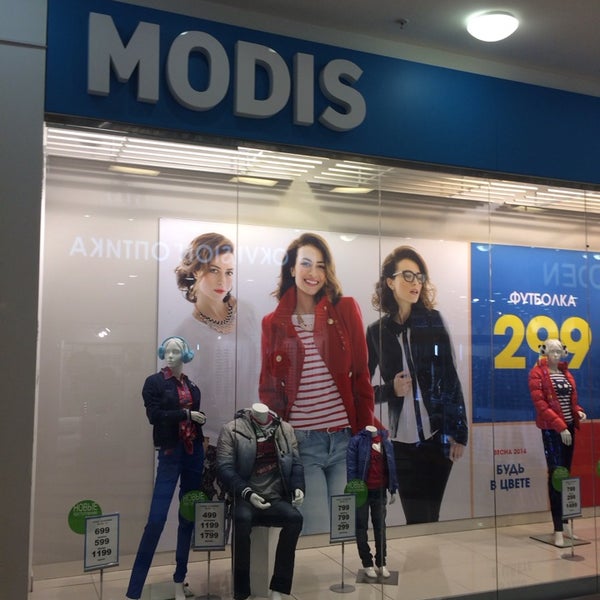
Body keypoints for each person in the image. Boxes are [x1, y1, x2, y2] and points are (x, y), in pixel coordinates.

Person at [259, 232, 375, 534]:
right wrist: (274, 443)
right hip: (302, 442)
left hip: (343, 439)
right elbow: (269, 389)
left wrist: (365, 435)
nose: (314, 273)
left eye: (321, 265)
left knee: (344, 528)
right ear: (291, 268)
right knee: (317, 529)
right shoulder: (273, 323)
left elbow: (361, 377)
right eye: (306, 263)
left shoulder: (345, 309)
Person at [366, 245, 468, 525]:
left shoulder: (432, 321)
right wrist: (390, 390)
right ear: (390, 282)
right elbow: (362, 390)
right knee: (415, 518)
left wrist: (458, 431)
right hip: (401, 443)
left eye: (419, 277)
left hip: (437, 437)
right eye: (407, 276)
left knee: (431, 516)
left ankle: (431, 555)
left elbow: (450, 377)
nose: (415, 283)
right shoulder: (376, 332)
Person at [126, 337, 206, 600]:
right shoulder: (154, 382)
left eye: (176, 351)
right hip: (171, 454)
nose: (170, 355)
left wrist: (198, 428)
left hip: (193, 453)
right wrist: (185, 415)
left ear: (185, 354)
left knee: (188, 517)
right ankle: (134, 591)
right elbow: (155, 416)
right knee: (156, 520)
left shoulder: (192, 386)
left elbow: (196, 418)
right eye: (167, 351)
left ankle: (180, 580)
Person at [173, 231, 260, 444]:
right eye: (214, 270)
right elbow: (180, 397)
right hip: (208, 438)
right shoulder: (185, 332)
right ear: (196, 270)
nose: (223, 280)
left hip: (250, 433)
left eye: (229, 272)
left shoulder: (247, 313)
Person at [216, 402, 305, 600]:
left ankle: (279, 586)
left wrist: (298, 487)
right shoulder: (232, 429)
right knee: (242, 521)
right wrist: (247, 493)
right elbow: (224, 467)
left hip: (275, 497)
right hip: (246, 497)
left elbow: (296, 463)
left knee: (295, 519)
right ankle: (241, 591)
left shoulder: (285, 429)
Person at [528, 338, 586, 547]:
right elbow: (541, 404)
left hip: (569, 428)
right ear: (545, 352)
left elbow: (571, 401)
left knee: (566, 475)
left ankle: (566, 524)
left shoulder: (566, 373)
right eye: (552, 351)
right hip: (553, 430)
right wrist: (560, 426)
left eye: (558, 351)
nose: (555, 355)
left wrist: (578, 411)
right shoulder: (537, 373)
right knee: (556, 475)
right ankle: (558, 528)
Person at [346, 425, 398, 579]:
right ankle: (367, 563)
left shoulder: (386, 442)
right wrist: (353, 489)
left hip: (380, 491)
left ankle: (382, 562)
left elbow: (391, 466)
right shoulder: (357, 441)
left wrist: (393, 488)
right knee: (361, 527)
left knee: (380, 527)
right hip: (362, 491)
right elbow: (351, 467)